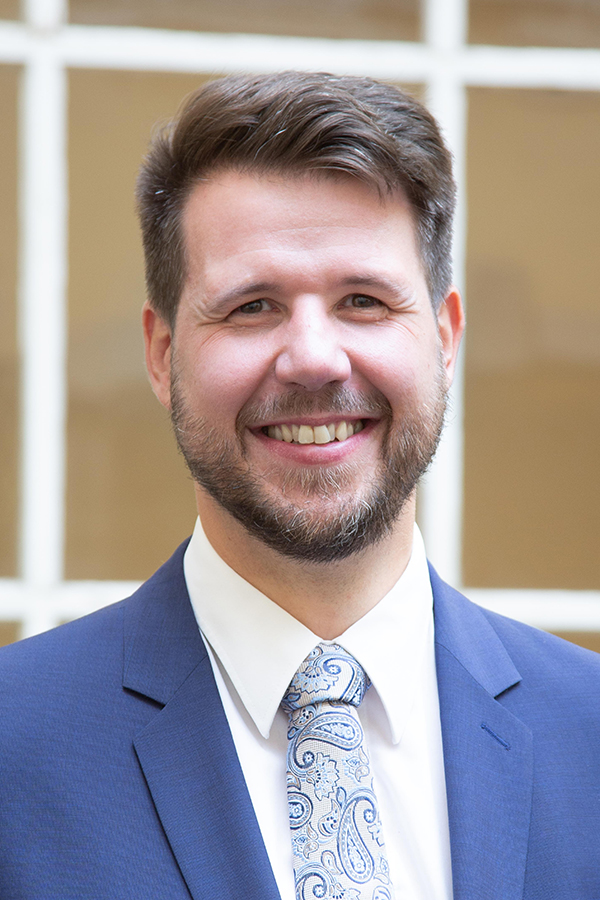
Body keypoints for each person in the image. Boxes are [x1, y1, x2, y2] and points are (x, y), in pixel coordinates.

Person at [0, 72, 599, 900]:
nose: (314, 358)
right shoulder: (15, 745)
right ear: (163, 355)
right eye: (252, 306)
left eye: (363, 300)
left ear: (445, 338)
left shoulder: (589, 736)